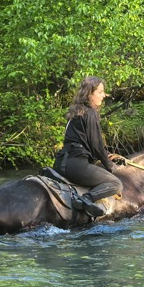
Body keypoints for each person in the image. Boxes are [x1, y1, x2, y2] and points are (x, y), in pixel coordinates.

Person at [54, 76, 123, 218]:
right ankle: (86, 198)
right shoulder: (91, 113)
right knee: (116, 183)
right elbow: (96, 146)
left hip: (61, 162)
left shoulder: (76, 112)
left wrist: (107, 154)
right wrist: (110, 166)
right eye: (100, 92)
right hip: (76, 164)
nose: (104, 95)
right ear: (89, 93)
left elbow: (89, 145)